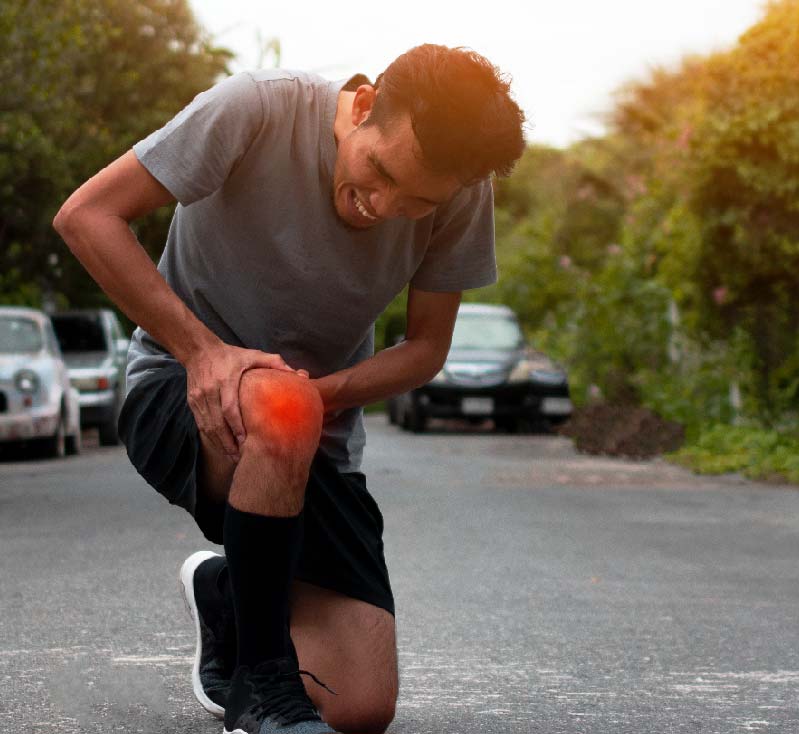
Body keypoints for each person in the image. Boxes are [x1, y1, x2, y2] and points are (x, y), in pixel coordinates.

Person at [53, 44, 526, 734]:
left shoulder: (463, 189)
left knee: (359, 707)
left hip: (314, 437)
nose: (386, 206)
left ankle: (227, 592)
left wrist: (319, 397)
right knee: (279, 405)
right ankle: (261, 686)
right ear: (363, 107)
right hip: (176, 395)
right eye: (380, 171)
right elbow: (86, 215)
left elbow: (426, 349)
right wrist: (203, 353)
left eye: (419, 201)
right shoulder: (257, 107)